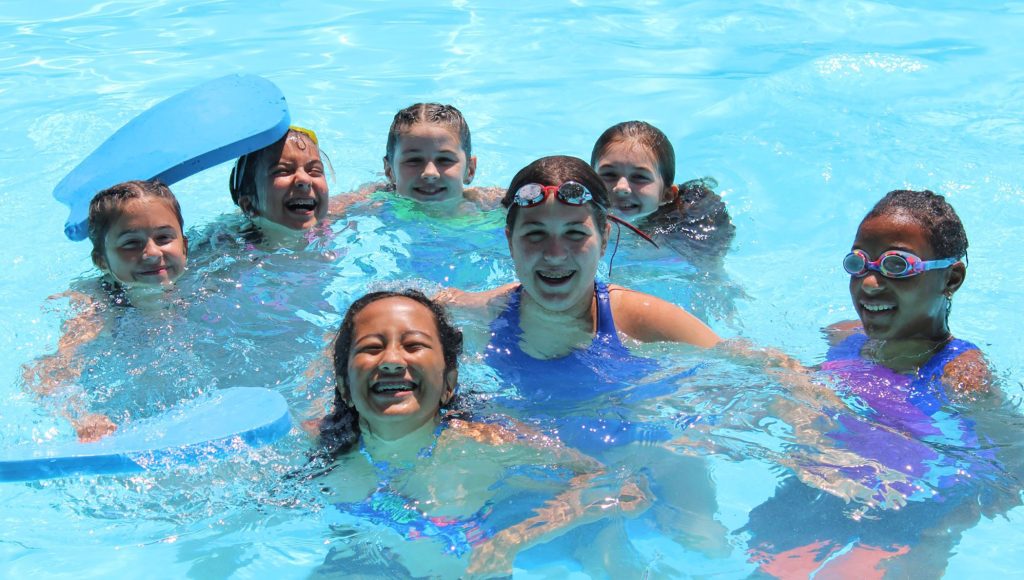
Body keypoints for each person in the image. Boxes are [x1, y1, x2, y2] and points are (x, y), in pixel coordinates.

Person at [739, 189, 1019, 578]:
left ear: (951, 277)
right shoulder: (843, 338)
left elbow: (1013, 453)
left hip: (912, 512)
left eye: (897, 265)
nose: (869, 283)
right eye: (858, 263)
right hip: (820, 486)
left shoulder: (959, 374)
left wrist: (954, 521)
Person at [312, 289, 647, 577]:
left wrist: (514, 539)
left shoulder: (485, 445)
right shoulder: (325, 458)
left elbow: (625, 489)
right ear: (344, 387)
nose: (392, 361)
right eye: (371, 348)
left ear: (449, 384)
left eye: (414, 345)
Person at [22, 180, 190, 441]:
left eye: (164, 238)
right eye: (131, 243)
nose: (152, 253)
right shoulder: (99, 305)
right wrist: (81, 417)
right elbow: (44, 373)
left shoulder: (208, 277)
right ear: (102, 261)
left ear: (185, 246)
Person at [591, 120, 735, 265]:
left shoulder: (680, 239)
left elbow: (712, 278)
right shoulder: (577, 216)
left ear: (666, 195)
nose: (621, 188)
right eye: (609, 174)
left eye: (639, 177)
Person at [228, 125, 330, 239]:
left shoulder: (332, 216)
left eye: (314, 170)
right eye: (283, 171)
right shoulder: (231, 247)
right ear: (250, 206)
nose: (304, 179)